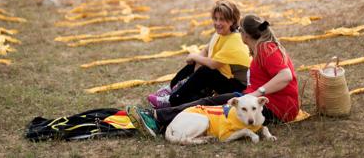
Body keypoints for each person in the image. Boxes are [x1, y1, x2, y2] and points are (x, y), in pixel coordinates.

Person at [128, 13, 299, 137]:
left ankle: (157, 117)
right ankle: (162, 117)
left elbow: (285, 75)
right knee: (210, 102)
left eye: (239, 29)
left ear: (245, 34)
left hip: (275, 108)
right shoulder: (261, 47)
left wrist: (257, 93)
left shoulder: (266, 48)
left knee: (208, 104)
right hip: (257, 100)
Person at [147, 0, 251, 109]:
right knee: (197, 63)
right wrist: (197, 61)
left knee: (206, 71)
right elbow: (206, 50)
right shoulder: (222, 34)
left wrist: (194, 56)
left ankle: (171, 100)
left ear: (232, 21)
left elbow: (213, 64)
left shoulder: (235, 40)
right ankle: (171, 89)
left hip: (239, 87)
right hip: (226, 77)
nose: (217, 23)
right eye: (215, 19)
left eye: (222, 19)